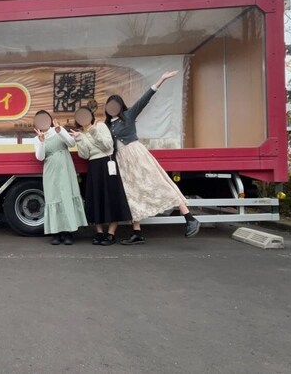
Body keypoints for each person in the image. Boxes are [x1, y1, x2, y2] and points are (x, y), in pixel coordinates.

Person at [105, 70, 201, 245]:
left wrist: (161, 80)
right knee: (132, 194)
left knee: (158, 184)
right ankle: (137, 233)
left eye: (115, 105)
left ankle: (189, 218)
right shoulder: (107, 125)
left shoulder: (129, 115)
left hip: (136, 155)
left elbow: (145, 99)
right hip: (122, 162)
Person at [70, 106, 133, 246]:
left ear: (91, 116)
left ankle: (111, 233)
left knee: (113, 198)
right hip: (93, 166)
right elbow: (84, 155)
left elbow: (108, 146)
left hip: (107, 163)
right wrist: (79, 139)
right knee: (95, 199)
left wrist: (93, 131)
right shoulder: (81, 133)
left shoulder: (101, 126)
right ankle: (99, 232)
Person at [33, 110, 88, 245]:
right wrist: (41, 142)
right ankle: (56, 233)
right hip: (50, 170)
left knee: (66, 197)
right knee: (53, 198)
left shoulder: (58, 129)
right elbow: (40, 157)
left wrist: (60, 131)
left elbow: (71, 143)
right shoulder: (37, 138)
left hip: (65, 168)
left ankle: (69, 232)